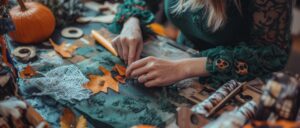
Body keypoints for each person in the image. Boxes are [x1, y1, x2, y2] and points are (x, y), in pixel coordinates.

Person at [110, 0, 292, 88]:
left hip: (235, 79)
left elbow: (272, 55)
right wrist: (131, 22)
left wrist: (185, 68)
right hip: (180, 57)